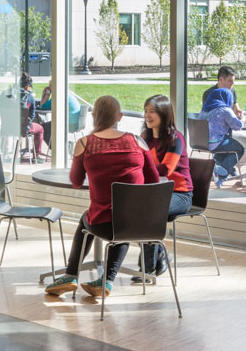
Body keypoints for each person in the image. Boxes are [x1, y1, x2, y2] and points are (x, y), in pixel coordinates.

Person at [44, 95, 159, 298]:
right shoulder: (138, 141)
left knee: (86, 219)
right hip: (138, 225)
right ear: (120, 117)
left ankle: (71, 275)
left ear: (94, 116)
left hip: (101, 224)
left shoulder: (85, 143)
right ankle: (106, 281)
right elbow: (153, 180)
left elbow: (76, 181)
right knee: (124, 219)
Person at [136, 94, 193, 283]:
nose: (147, 115)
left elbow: (165, 170)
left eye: (152, 111)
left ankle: (148, 269)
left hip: (180, 194)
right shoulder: (145, 137)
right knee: (131, 212)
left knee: (150, 214)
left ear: (163, 113)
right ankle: (160, 254)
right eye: (145, 111)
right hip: (155, 193)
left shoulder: (176, 139)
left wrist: (141, 168)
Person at [202, 66, 246, 167]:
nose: (232, 84)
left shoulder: (231, 91)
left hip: (227, 132)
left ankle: (228, 167)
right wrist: (238, 120)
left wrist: (239, 112)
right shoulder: (209, 94)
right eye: (230, 81)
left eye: (233, 81)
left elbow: (235, 107)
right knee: (244, 147)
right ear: (221, 79)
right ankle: (225, 169)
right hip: (216, 137)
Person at [199, 88, 245, 188]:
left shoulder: (204, 109)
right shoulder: (225, 110)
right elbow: (237, 126)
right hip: (215, 143)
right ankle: (221, 173)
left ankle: (218, 173)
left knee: (225, 149)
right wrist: (243, 119)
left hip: (201, 142)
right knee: (239, 149)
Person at [38, 82, 81, 151]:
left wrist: (46, 94)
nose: (49, 88)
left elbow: (43, 106)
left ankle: (58, 148)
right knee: (49, 125)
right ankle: (62, 146)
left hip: (67, 124)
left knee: (42, 128)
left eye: (50, 86)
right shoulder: (67, 94)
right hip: (75, 123)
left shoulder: (59, 95)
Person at [19, 73, 44, 163]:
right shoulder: (29, 97)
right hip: (23, 128)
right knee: (40, 129)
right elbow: (32, 115)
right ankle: (36, 156)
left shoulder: (9, 95)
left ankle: (5, 153)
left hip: (8, 127)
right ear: (27, 87)